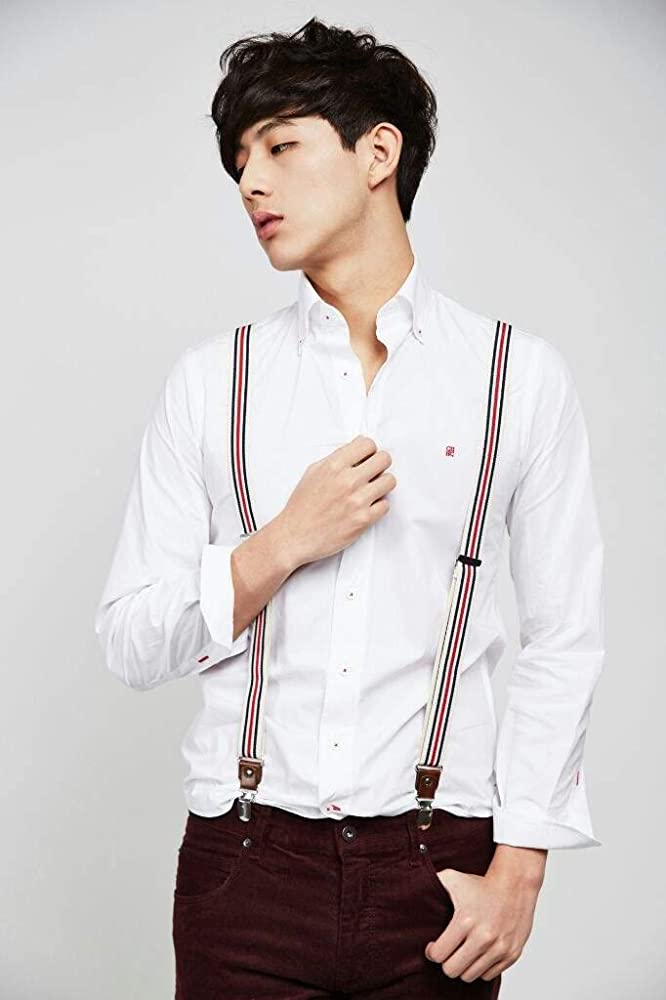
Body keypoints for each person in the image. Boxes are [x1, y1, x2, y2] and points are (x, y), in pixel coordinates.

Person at [94, 16, 605, 999]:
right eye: (239, 161)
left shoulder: (515, 377)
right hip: (245, 870)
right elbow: (131, 641)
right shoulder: (213, 383)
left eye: (279, 146)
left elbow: (564, 638)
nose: (249, 183)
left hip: (440, 872)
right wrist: (280, 545)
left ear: (379, 153)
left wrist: (521, 869)